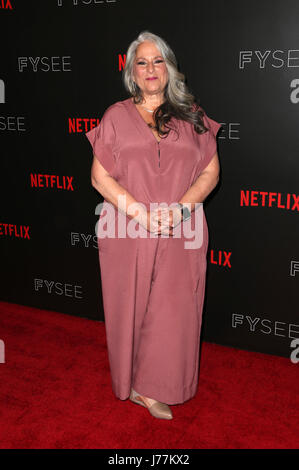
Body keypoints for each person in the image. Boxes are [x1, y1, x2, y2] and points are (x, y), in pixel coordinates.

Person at [85, 31, 221, 420]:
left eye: (157, 61)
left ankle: (153, 387)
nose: (150, 69)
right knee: (129, 306)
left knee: (174, 310)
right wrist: (141, 215)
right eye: (141, 62)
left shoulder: (191, 114)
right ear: (132, 71)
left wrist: (179, 211)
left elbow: (210, 173)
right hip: (126, 226)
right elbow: (99, 177)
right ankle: (129, 379)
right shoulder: (115, 115)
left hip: (183, 227)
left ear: (169, 68)